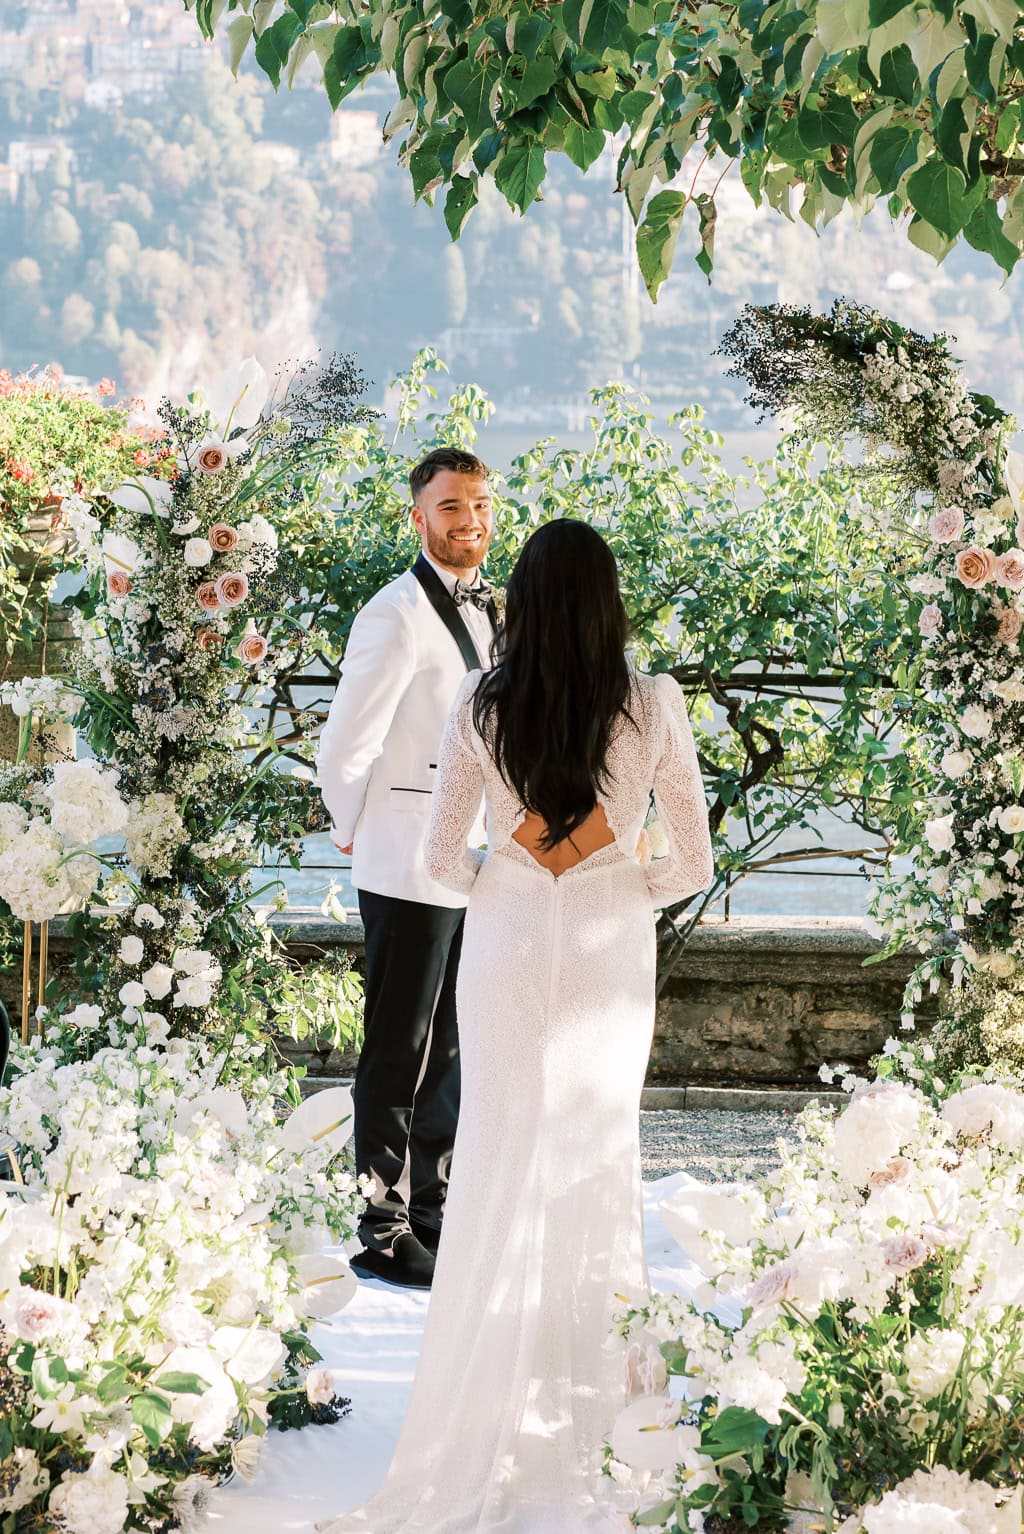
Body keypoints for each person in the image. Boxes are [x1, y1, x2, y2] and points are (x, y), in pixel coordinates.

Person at [317, 518, 715, 1534]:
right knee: (591, 1155)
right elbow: (692, 862)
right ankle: (600, 1410)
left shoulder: (480, 699)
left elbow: (442, 857)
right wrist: (612, 871)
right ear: (609, 600)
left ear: (526, 602)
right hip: (605, 946)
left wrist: (517, 864)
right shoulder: (653, 700)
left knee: (496, 1156)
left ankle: (478, 1403)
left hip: (500, 945)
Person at [316, 446, 500, 1291]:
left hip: (474, 856)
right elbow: (345, 742)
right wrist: (355, 831)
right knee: (400, 1045)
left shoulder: (494, 609)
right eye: (453, 507)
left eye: (480, 506)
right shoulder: (392, 614)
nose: (470, 522)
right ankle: (380, 1226)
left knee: (453, 1043)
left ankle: (435, 1206)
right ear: (418, 517)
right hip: (401, 855)